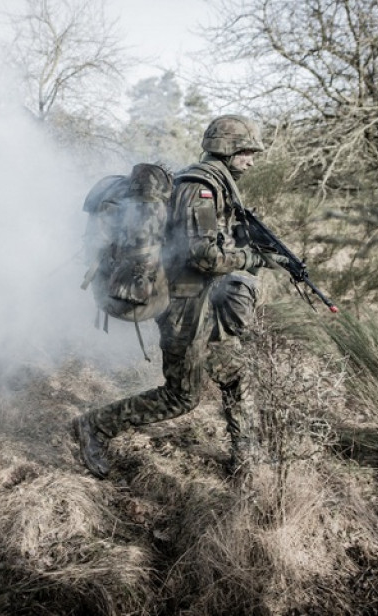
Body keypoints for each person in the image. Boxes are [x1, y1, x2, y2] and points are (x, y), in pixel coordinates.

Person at [73, 115, 285, 479]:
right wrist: (252, 259)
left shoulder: (219, 184)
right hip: (183, 306)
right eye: (247, 151)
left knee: (236, 373)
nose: (252, 159)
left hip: (202, 300)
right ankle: (94, 426)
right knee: (182, 396)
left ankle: (247, 458)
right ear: (227, 149)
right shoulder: (199, 186)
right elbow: (201, 256)